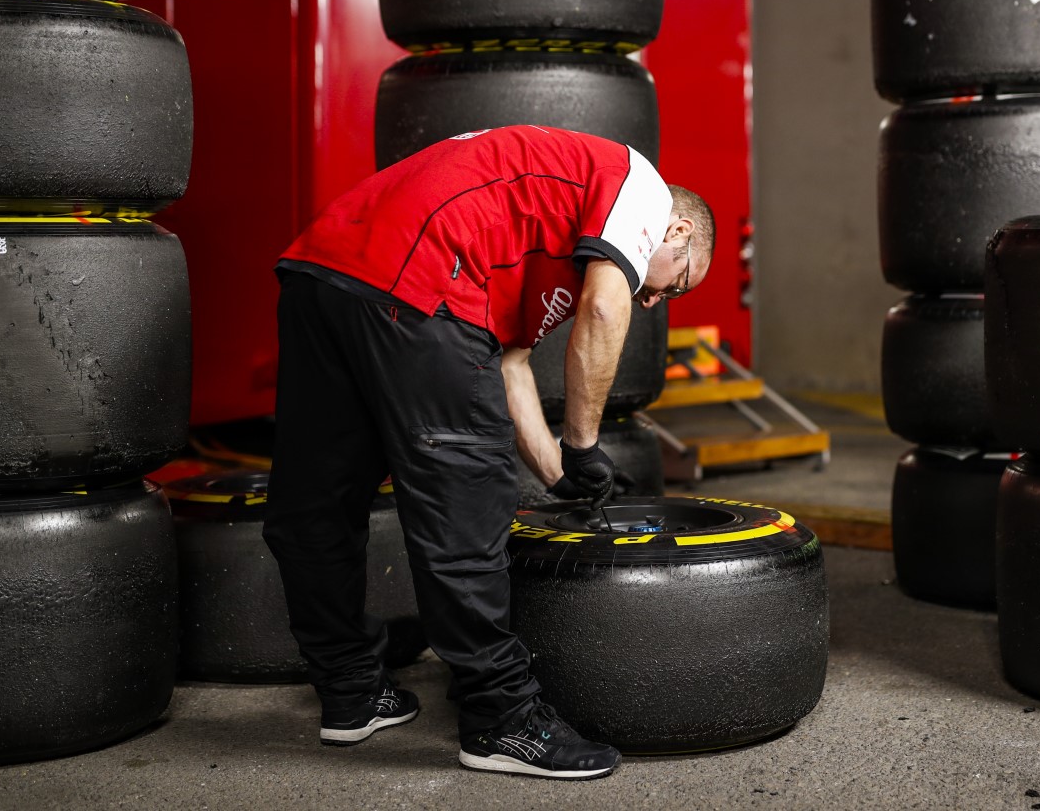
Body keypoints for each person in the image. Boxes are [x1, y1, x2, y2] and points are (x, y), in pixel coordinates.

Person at [261, 124, 715, 780]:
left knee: (317, 497)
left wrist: (561, 475)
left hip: (326, 271)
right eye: (675, 285)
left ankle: (351, 690)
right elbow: (607, 311)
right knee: (467, 503)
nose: (654, 300)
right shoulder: (640, 190)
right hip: (418, 272)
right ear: (678, 235)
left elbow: (510, 362)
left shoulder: (537, 235)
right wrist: (585, 442)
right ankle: (502, 720)